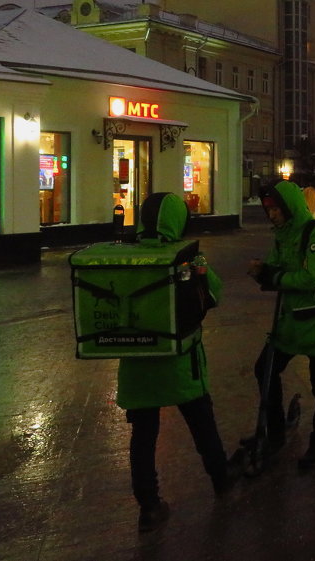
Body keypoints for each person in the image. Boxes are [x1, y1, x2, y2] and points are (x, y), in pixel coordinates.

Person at [117, 192, 237, 533]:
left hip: (138, 364)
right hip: (181, 361)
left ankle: (149, 506)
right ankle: (221, 478)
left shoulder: (125, 256)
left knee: (143, 438)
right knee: (202, 423)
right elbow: (215, 294)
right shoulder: (185, 256)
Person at [248, 181, 315, 470]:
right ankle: (276, 430)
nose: (271, 214)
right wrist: (263, 272)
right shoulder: (283, 234)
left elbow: (310, 279)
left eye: (275, 209)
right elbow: (274, 266)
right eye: (268, 209)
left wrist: (274, 277)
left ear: (290, 206)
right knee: (265, 369)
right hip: (290, 321)